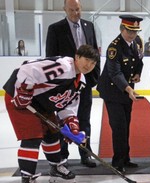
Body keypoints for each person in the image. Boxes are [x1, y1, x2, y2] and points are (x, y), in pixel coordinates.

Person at [3, 45, 99, 183]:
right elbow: (27, 69)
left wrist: (72, 126)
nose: (88, 65)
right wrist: (24, 92)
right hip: (19, 99)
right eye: (86, 60)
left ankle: (56, 169)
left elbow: (68, 106)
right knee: (32, 137)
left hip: (40, 103)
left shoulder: (80, 81)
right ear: (77, 57)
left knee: (52, 133)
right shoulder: (63, 66)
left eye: (93, 63)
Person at [46, 0, 100, 168]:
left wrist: (94, 78)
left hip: (85, 82)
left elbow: (95, 53)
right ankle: (63, 155)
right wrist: (56, 83)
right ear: (64, 9)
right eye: (71, 10)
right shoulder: (55, 29)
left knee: (85, 118)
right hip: (65, 84)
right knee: (64, 119)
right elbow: (51, 58)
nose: (75, 13)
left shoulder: (89, 26)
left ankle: (86, 153)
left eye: (77, 9)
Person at [97, 15, 144, 173]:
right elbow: (114, 73)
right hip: (113, 92)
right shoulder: (114, 47)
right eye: (129, 31)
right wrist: (129, 89)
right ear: (122, 29)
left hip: (125, 91)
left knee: (126, 126)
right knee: (119, 127)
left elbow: (139, 61)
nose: (132, 35)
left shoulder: (136, 43)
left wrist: (137, 73)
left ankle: (125, 158)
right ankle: (117, 162)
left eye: (135, 31)